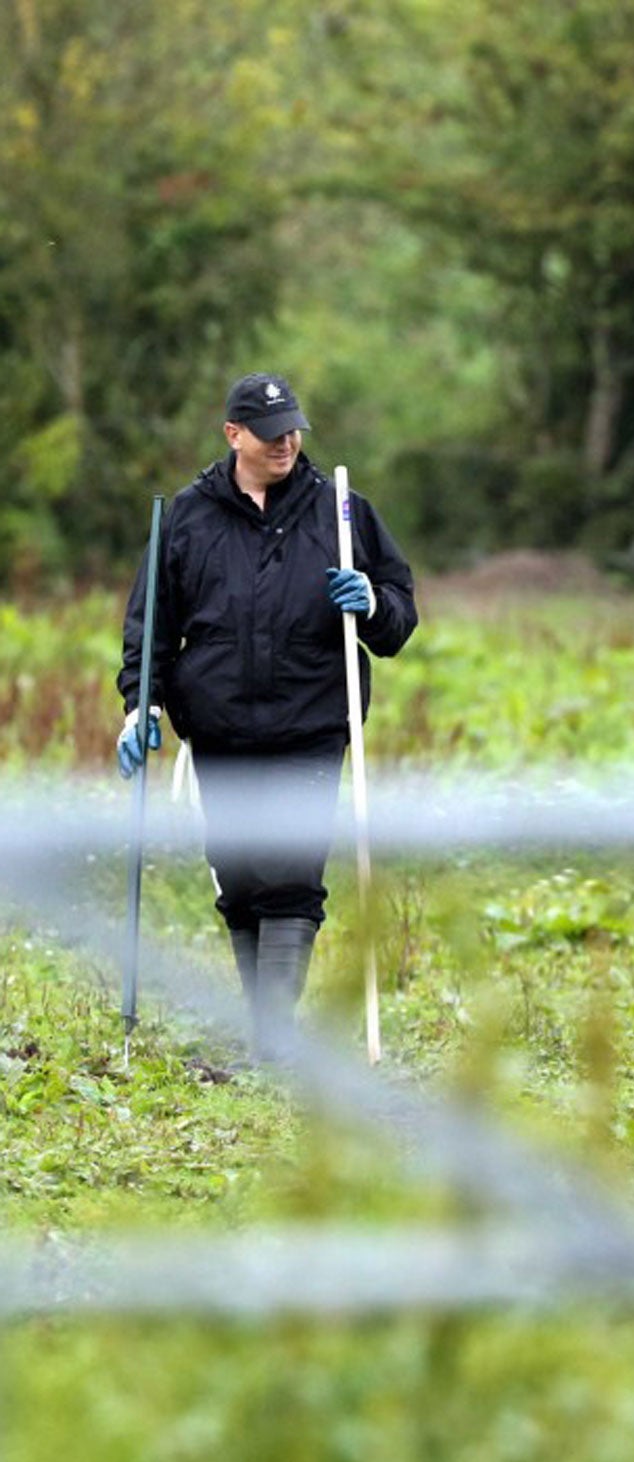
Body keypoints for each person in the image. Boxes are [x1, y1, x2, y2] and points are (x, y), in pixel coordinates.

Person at [116, 372, 418, 1045]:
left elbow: (399, 615)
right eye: (269, 432)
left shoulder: (340, 509)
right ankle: (263, 1030)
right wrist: (142, 707)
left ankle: (275, 1040)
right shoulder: (188, 518)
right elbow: (151, 628)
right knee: (242, 879)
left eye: (293, 430)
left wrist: (371, 602)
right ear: (233, 434)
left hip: (310, 723)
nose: (286, 443)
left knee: (288, 874)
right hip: (218, 728)